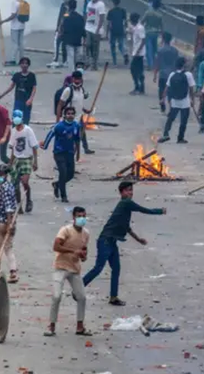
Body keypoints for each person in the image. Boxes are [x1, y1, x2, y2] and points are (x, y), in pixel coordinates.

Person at [82, 181, 165, 306]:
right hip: (105, 241)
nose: (130, 193)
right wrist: (159, 211)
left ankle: (113, 297)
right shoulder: (126, 203)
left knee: (116, 268)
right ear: (121, 192)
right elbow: (143, 210)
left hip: (111, 241)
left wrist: (139, 239)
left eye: (131, 190)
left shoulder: (124, 207)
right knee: (98, 268)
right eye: (127, 190)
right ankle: (79, 288)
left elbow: (126, 227)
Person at [45, 206, 91, 337]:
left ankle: (80, 326)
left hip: (75, 269)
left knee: (81, 297)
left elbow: (84, 252)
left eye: (83, 216)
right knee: (56, 296)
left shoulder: (86, 234)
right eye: (79, 216)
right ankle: (51, 326)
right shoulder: (65, 230)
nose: (82, 219)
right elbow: (56, 246)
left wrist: (82, 255)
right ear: (73, 218)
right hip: (61, 267)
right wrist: (72, 251)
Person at [40, 106, 81, 203]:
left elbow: (77, 140)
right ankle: (64, 196)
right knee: (63, 173)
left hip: (70, 153)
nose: (70, 115)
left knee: (70, 174)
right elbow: (50, 134)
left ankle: (57, 184)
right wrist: (45, 145)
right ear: (64, 115)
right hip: (59, 153)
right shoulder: (59, 126)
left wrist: (78, 153)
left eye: (72, 113)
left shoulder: (76, 126)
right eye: (68, 113)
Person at [56, 71, 94, 155]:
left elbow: (79, 104)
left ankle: (85, 149)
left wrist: (86, 111)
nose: (77, 81)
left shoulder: (81, 90)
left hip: (79, 117)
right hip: (70, 120)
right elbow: (60, 105)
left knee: (81, 134)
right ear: (72, 79)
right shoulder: (68, 90)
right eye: (75, 79)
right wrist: (57, 120)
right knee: (69, 140)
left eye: (79, 79)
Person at [9, 109, 39, 214]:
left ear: (22, 118)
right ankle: (19, 205)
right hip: (17, 159)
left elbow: (34, 146)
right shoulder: (13, 131)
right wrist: (10, 163)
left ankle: (29, 200)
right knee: (15, 185)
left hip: (27, 158)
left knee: (25, 182)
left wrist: (35, 162)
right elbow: (13, 147)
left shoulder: (28, 130)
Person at [160, 57, 195, 144]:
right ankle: (180, 138)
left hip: (174, 101)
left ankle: (166, 134)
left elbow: (167, 88)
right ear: (184, 64)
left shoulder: (172, 74)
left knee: (170, 118)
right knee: (183, 120)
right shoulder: (188, 75)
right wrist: (192, 100)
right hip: (185, 101)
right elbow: (191, 89)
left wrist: (163, 98)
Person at [0, 57, 37, 125]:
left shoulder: (32, 76)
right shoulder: (17, 75)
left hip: (27, 102)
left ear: (28, 65)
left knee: (26, 120)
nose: (24, 65)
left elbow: (34, 88)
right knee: (16, 119)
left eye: (26, 63)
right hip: (18, 101)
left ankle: (24, 134)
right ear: (20, 65)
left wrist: (30, 99)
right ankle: (15, 134)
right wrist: (2, 95)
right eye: (23, 63)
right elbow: (11, 87)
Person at [0, 0, 28, 65]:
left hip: (15, 26)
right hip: (22, 25)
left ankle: (13, 60)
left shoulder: (14, 3)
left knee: (15, 43)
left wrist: (3, 21)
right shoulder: (24, 2)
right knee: (21, 43)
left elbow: (13, 15)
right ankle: (22, 59)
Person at [153, 32, 180, 109]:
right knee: (171, 91)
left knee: (161, 89)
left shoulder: (160, 50)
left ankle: (162, 103)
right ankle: (171, 105)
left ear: (163, 39)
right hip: (172, 73)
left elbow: (157, 63)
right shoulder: (175, 51)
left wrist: (155, 75)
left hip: (163, 74)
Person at [84, 0, 106, 70]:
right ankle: (88, 61)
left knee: (95, 47)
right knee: (88, 45)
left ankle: (94, 64)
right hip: (88, 27)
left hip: (96, 29)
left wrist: (98, 29)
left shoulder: (100, 5)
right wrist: (85, 25)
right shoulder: (89, 3)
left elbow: (102, 18)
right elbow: (87, 14)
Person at [59, 0, 85, 67]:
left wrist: (61, 35)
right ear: (75, 6)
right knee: (77, 60)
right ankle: (78, 75)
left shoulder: (66, 16)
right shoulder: (80, 17)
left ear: (69, 6)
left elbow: (62, 25)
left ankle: (72, 75)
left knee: (70, 59)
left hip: (69, 41)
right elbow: (83, 29)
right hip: (78, 40)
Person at [141, 0, 164, 70]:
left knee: (149, 50)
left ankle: (150, 65)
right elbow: (161, 26)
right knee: (155, 50)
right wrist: (162, 35)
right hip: (156, 33)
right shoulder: (160, 15)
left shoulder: (148, 13)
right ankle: (155, 64)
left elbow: (142, 21)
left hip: (148, 32)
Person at [51, 0, 71, 67]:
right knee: (64, 44)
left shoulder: (64, 5)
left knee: (57, 42)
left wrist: (58, 26)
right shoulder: (68, 4)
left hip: (62, 26)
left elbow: (62, 16)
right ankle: (64, 60)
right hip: (66, 26)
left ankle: (56, 59)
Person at [107, 0, 127, 66]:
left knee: (113, 46)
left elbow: (109, 23)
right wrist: (125, 30)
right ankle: (124, 54)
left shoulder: (111, 11)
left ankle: (114, 62)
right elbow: (125, 22)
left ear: (113, 2)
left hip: (113, 30)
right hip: (121, 29)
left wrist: (107, 34)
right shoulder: (123, 11)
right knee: (121, 45)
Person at [129, 12, 146, 95]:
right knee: (139, 70)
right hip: (136, 52)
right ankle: (140, 87)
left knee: (134, 70)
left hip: (139, 54)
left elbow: (143, 40)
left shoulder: (140, 28)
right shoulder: (135, 27)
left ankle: (138, 87)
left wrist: (137, 51)